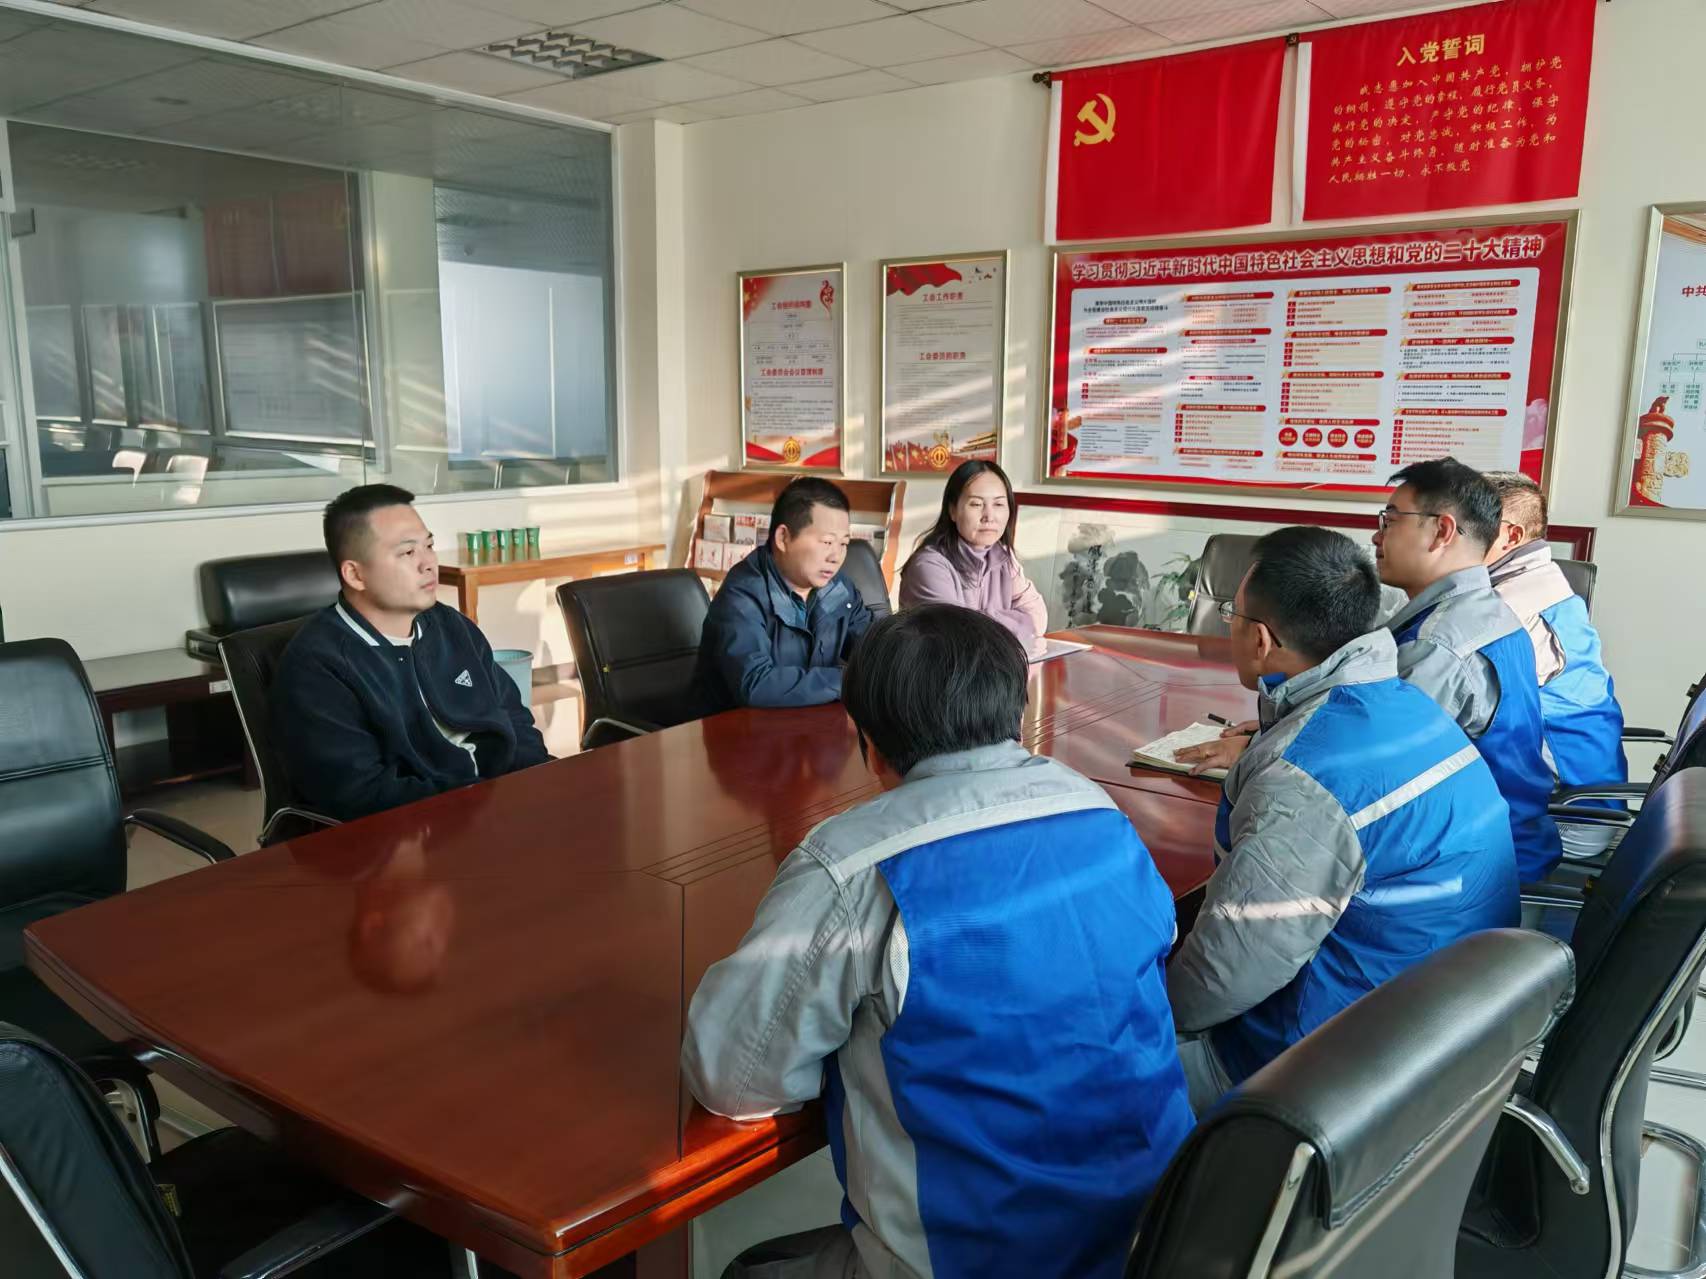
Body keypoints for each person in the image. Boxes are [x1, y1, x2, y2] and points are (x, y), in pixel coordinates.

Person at [684, 605, 1193, 1279]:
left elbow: (734, 1080)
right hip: (1159, 1236)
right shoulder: (1099, 812)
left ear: (869, 744)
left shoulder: (853, 864)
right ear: (1016, 717)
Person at [1169, 527, 1518, 1110]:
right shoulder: (1408, 704)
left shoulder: (1304, 777)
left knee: (1081, 1053)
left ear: (1261, 639)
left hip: (1336, 1075)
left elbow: (1223, 977)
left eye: (1232, 614)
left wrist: (1154, 1013)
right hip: (1452, 1023)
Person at [272, 484, 550, 822]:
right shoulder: (318, 665)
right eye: (407, 553)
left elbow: (512, 715)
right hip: (421, 828)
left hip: (497, 805)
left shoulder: (449, 624)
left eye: (429, 546)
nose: (428, 563)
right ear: (356, 574)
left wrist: (536, 780)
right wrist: (479, 803)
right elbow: (361, 794)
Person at [1374, 458, 1563, 882]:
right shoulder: (1486, 610)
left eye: (1390, 520)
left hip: (1470, 859)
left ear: (1442, 531)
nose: (1376, 535)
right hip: (1507, 828)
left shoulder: (1439, 644)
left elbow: (1375, 768)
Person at [1484, 470, 1628, 858]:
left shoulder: (1512, 610)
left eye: (1467, 522)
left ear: (1511, 536)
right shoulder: (1544, 580)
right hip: (1586, 792)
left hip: (1569, 813)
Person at [694, 477, 874, 713]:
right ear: (783, 538)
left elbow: (875, 647)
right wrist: (846, 680)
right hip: (738, 729)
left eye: (843, 544)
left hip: (808, 722)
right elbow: (756, 683)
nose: (836, 556)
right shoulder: (742, 595)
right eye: (827, 542)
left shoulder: (838, 588)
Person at [897, 459, 1050, 652]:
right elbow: (959, 636)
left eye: (999, 504)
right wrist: (1016, 622)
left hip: (993, 667)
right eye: (976, 504)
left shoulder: (1003, 558)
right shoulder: (928, 566)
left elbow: (1037, 620)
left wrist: (978, 617)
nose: (989, 516)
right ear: (952, 510)